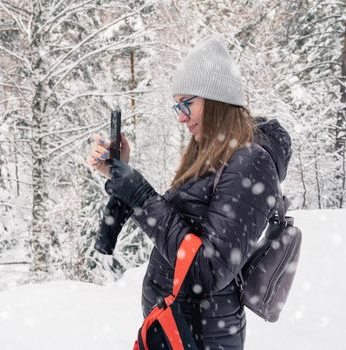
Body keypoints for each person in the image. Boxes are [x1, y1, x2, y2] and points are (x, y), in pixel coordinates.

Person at [87, 34, 292, 350]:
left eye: (187, 103)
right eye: (177, 106)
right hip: (179, 328)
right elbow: (180, 228)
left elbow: (208, 271)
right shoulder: (210, 154)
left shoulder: (250, 162)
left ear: (216, 99)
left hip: (203, 336)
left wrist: (141, 197)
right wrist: (122, 172)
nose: (180, 117)